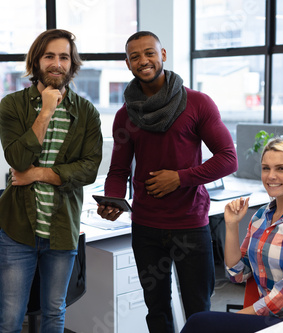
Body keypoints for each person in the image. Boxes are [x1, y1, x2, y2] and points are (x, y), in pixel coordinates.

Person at [97, 31, 238, 332]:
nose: (143, 60)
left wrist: (180, 178)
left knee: (198, 310)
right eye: (134, 56)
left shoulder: (197, 103)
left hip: (189, 225)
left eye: (149, 52)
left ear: (162, 54)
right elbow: (118, 170)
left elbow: (228, 158)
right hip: (146, 227)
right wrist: (112, 200)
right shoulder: (125, 115)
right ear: (128, 63)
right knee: (156, 310)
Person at [0, 29, 102, 333]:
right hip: (18, 231)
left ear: (72, 63)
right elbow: (17, 160)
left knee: (55, 312)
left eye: (63, 56)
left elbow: (89, 169)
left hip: (62, 228)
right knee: (12, 316)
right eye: (49, 56)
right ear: (36, 61)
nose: (56, 63)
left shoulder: (87, 112)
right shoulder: (13, 105)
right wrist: (47, 110)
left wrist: (39, 174)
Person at [181, 137, 283, 333]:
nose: (271, 176)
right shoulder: (262, 216)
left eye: (281, 168)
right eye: (266, 168)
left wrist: (234, 318)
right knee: (201, 323)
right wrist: (232, 225)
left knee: (200, 323)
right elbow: (237, 274)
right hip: (271, 317)